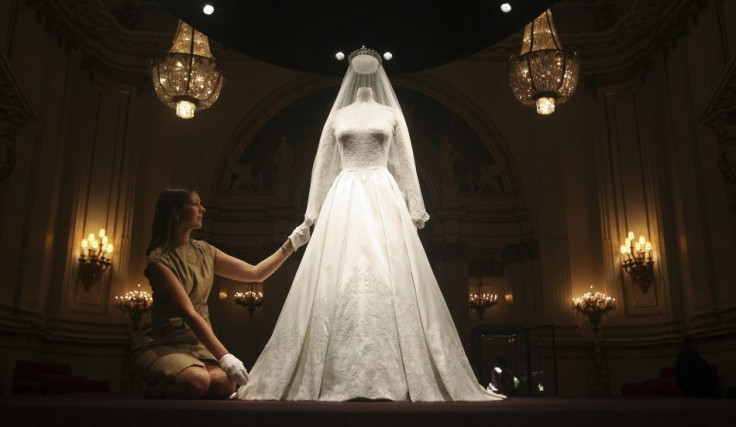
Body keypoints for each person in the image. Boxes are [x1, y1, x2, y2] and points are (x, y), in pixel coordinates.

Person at [233, 48, 504, 401]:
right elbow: (321, 165)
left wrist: (415, 207)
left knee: (390, 277)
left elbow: (407, 161)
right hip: (343, 195)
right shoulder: (338, 117)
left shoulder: (390, 115)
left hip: (383, 196)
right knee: (337, 277)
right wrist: (312, 213)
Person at [132, 187, 310, 399]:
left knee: (224, 384)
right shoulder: (159, 261)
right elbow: (189, 313)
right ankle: (150, 395)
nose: (202, 209)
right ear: (175, 211)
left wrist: (291, 244)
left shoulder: (205, 251)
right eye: (196, 203)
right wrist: (224, 356)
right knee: (197, 382)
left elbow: (256, 273)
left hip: (196, 342)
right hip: (165, 342)